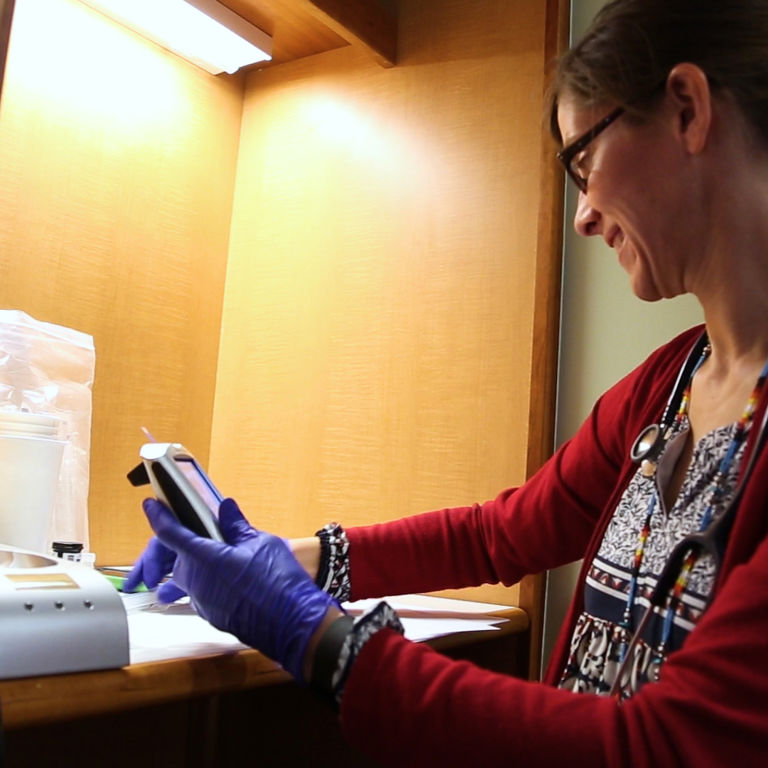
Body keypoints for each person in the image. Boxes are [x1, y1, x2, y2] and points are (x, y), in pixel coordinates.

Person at [125, 0, 768, 764]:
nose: (583, 217)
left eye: (583, 165)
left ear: (688, 109)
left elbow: (662, 745)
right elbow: (502, 534)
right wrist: (290, 559)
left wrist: (315, 634)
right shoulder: (669, 385)